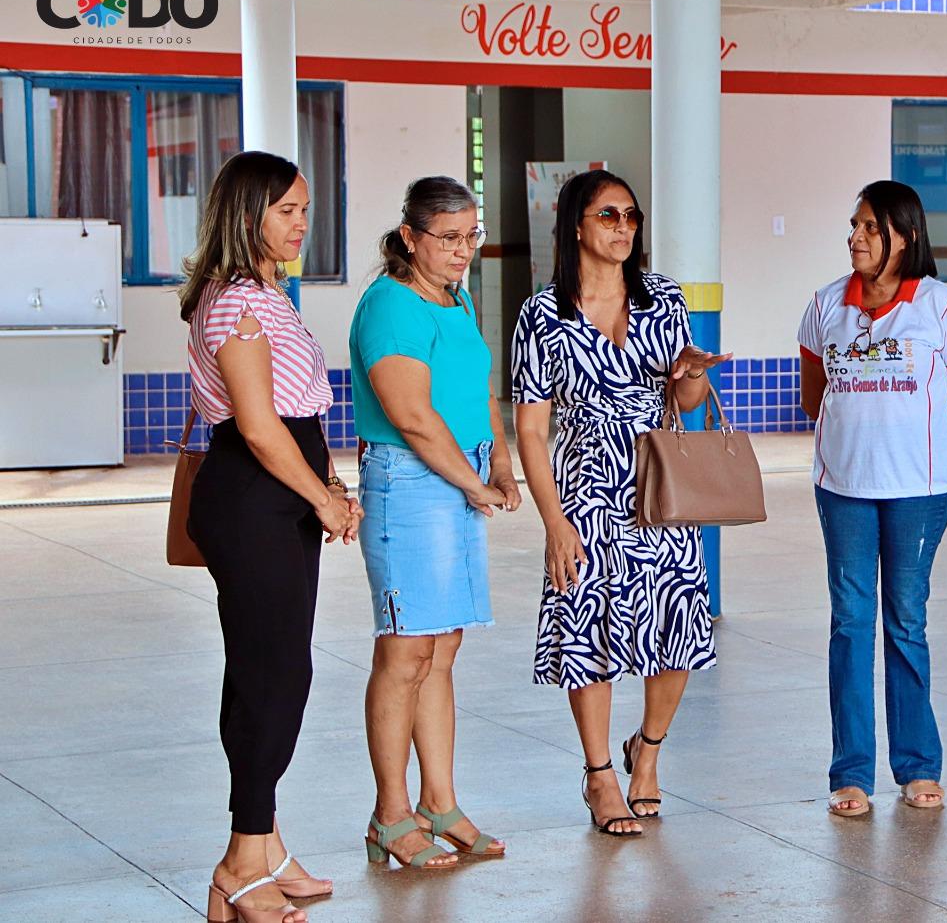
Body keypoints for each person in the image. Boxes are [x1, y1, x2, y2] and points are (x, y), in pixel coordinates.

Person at [511, 169, 728, 837]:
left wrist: (689, 375)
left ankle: (648, 753)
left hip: (659, 483)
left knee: (677, 629)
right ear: (576, 223)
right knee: (590, 631)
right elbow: (531, 428)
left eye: (631, 217)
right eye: (609, 216)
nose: (624, 228)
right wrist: (552, 522)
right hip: (585, 486)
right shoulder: (542, 315)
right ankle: (600, 774)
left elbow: (686, 404)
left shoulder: (663, 300)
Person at [180, 151, 359, 923]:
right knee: (272, 677)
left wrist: (329, 483)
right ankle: (238, 862)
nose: (300, 223)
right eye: (286, 210)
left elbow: (295, 415)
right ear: (245, 213)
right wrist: (321, 495)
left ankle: (267, 842)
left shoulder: (264, 294)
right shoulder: (237, 305)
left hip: (275, 497)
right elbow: (257, 426)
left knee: (268, 671)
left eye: (305, 209)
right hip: (257, 499)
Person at [797, 179, 947, 818]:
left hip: (920, 492)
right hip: (843, 490)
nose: (855, 237)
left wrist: (921, 433)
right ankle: (850, 772)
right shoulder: (825, 306)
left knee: (906, 620)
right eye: (853, 226)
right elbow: (813, 396)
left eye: (870, 228)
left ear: (905, 236)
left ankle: (917, 764)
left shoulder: (938, 305)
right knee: (850, 622)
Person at [350, 177, 521, 869]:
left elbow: (480, 389)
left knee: (441, 649)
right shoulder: (389, 306)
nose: (463, 250)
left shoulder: (456, 298)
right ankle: (391, 813)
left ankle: (439, 803)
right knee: (404, 652)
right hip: (411, 485)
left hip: (461, 474)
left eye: (471, 236)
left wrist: (501, 465)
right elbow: (413, 417)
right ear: (411, 237)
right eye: (448, 238)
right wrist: (473, 483)